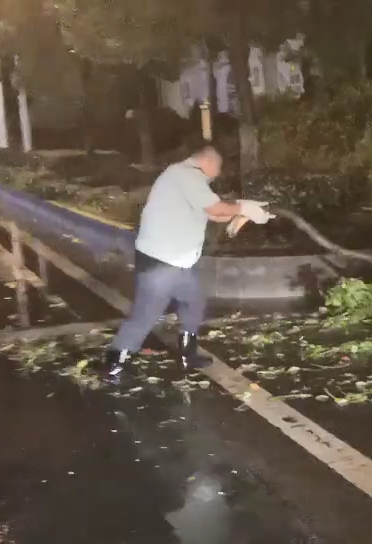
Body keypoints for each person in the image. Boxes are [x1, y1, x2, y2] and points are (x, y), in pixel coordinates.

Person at [101, 144, 272, 381]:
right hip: (161, 262)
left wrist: (244, 210)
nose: (218, 174)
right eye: (218, 168)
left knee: (194, 302)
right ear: (209, 162)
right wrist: (243, 207)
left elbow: (212, 213)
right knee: (146, 315)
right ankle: (114, 364)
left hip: (176, 263)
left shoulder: (185, 179)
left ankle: (187, 353)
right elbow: (215, 207)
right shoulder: (186, 175)